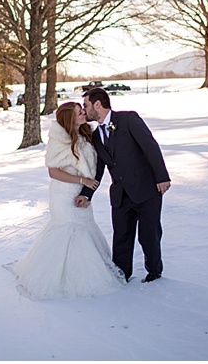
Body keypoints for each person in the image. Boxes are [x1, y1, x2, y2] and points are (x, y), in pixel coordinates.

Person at [7, 102, 126, 299]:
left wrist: (87, 189)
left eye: (82, 111)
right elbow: (53, 172)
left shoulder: (87, 134)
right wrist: (82, 180)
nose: (83, 114)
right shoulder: (59, 139)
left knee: (85, 226)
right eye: (79, 113)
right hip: (64, 192)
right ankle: (57, 277)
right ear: (69, 119)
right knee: (68, 228)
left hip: (82, 191)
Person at [79, 87, 171, 283]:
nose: (83, 109)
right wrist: (87, 193)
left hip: (147, 190)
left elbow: (150, 146)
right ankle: (122, 274)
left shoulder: (128, 119)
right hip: (120, 195)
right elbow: (98, 169)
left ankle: (154, 272)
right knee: (121, 237)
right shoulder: (96, 136)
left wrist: (162, 177)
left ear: (97, 104)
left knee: (149, 236)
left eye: (85, 105)